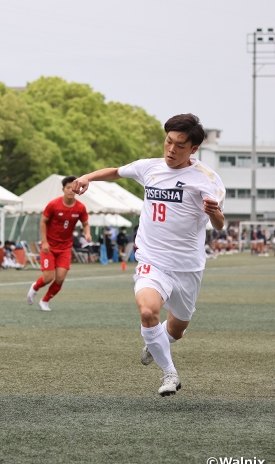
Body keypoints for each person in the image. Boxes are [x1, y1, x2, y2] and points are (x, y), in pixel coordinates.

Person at [71, 113, 226, 397]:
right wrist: (87, 177)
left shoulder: (207, 180)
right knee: (147, 311)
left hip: (188, 267)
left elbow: (218, 224)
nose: (171, 149)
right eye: (168, 142)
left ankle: (157, 345)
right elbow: (116, 171)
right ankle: (170, 373)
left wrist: (216, 214)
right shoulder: (149, 168)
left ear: (193, 149)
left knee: (177, 330)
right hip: (152, 260)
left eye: (180, 145)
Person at [26, 175, 91, 311]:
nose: (71, 190)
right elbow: (43, 222)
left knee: (60, 278)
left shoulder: (80, 208)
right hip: (49, 246)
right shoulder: (53, 205)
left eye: (74, 187)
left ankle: (45, 301)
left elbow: (85, 223)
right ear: (63, 189)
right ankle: (35, 287)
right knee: (48, 277)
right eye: (68, 188)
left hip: (65, 247)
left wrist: (87, 233)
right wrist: (44, 242)